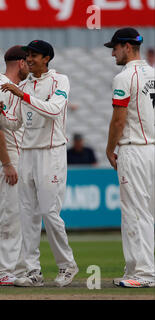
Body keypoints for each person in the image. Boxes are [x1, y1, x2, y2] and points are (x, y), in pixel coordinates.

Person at [0, 40, 78, 287]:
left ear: (47, 58)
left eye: (34, 55)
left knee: (50, 213)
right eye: (27, 55)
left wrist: (23, 95)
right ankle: (32, 271)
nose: (29, 59)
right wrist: (0, 116)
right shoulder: (25, 85)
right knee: (28, 216)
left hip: (51, 153)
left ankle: (66, 265)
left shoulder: (60, 81)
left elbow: (53, 110)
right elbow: (16, 123)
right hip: (27, 153)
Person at [104, 28, 155, 288]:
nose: (113, 53)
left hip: (135, 148)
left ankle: (144, 273)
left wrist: (109, 148)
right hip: (153, 148)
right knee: (148, 211)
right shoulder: (154, 73)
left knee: (135, 211)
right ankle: (136, 267)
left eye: (114, 47)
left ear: (126, 46)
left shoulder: (124, 77)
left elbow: (118, 120)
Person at [0, 45, 29, 286]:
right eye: (28, 62)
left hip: (17, 154)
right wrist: (6, 163)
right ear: (20, 63)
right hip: (8, 156)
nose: (30, 66)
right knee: (9, 215)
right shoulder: (0, 89)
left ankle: (16, 268)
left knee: (19, 215)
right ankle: (1, 270)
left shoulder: (15, 89)